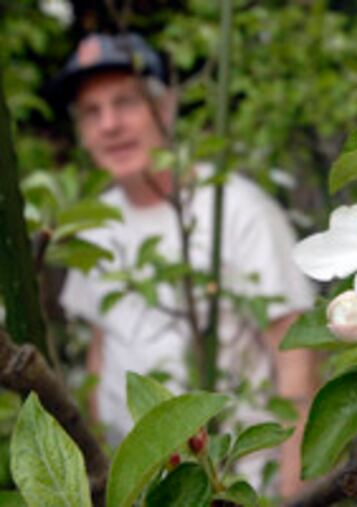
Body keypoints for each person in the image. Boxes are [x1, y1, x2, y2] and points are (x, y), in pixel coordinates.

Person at [51, 33, 316, 496]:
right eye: (92, 113)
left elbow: (294, 354)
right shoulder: (93, 225)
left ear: (165, 106)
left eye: (125, 102)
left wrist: (295, 491)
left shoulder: (236, 209)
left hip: (234, 487)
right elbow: (100, 347)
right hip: (141, 489)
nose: (109, 125)